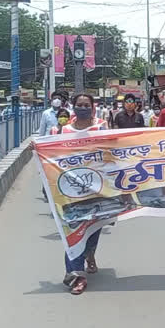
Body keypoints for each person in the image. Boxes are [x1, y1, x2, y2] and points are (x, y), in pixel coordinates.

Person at [59, 93, 107, 295]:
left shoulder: (101, 126)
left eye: (86, 105)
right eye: (79, 105)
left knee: (93, 228)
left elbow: (111, 149)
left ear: (92, 107)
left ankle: (89, 255)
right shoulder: (64, 130)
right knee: (74, 230)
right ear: (73, 107)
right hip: (71, 188)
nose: (83, 108)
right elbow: (55, 152)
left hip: (97, 186)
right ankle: (76, 274)